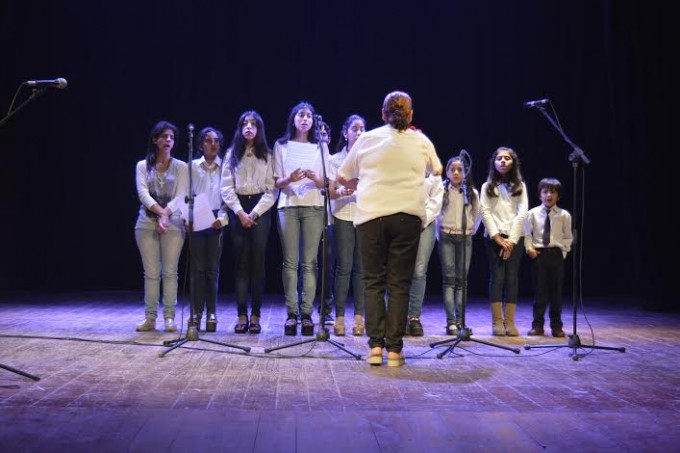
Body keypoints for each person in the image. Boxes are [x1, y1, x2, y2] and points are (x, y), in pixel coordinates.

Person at [337, 91, 443, 367]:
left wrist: (367, 178)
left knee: (373, 282)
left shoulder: (367, 138)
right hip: (407, 216)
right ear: (411, 115)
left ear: (382, 114)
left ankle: (375, 348)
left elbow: (342, 176)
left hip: (372, 216)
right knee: (399, 284)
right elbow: (438, 170)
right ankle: (394, 350)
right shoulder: (421, 140)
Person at [273, 102, 329, 336]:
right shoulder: (281, 145)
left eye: (308, 116)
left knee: (310, 263)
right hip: (288, 205)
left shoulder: (320, 147)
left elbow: (327, 182)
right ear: (293, 119)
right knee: (290, 262)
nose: (305, 119)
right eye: (301, 115)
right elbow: (277, 181)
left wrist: (316, 178)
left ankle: (306, 313)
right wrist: (289, 178)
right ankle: (292, 313)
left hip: (314, 205)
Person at [221, 111, 278, 334]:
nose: (248, 127)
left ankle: (256, 314)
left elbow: (272, 189)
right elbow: (226, 187)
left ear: (259, 129)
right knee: (241, 263)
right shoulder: (231, 154)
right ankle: (241, 314)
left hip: (260, 208)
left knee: (258, 262)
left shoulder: (268, 154)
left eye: (253, 124)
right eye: (244, 123)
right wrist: (240, 212)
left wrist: (254, 213)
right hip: (238, 207)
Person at [134, 120, 188, 332]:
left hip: (173, 224)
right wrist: (160, 213)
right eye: (164, 136)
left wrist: (166, 215)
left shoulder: (181, 166)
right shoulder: (142, 166)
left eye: (172, 137)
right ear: (155, 140)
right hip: (146, 223)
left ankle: (169, 317)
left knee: (170, 272)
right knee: (151, 273)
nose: (168, 140)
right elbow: (143, 194)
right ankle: (150, 317)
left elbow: (181, 195)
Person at [480, 146, 528, 336]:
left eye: (507, 158)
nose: (503, 161)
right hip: (495, 237)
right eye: (499, 158)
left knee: (512, 278)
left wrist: (512, 241)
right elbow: (485, 212)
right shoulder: (487, 186)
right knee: (497, 277)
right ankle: (497, 322)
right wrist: (498, 238)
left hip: (515, 237)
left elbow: (522, 213)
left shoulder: (520, 186)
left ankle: (510, 321)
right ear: (494, 162)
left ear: (513, 162)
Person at [327, 114, 366, 336]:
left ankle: (359, 316)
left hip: (364, 215)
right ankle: (340, 316)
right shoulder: (335, 160)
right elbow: (330, 192)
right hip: (343, 214)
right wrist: (342, 191)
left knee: (361, 269)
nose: (359, 132)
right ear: (345, 133)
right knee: (343, 268)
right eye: (354, 128)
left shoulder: (369, 159)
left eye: (362, 129)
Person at [188, 126, 228, 332]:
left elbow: (228, 196)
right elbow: (186, 194)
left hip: (216, 219)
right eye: (208, 141)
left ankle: (211, 312)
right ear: (200, 144)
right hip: (197, 217)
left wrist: (222, 219)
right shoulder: (193, 166)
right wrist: (187, 217)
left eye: (216, 141)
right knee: (198, 270)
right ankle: (196, 312)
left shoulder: (225, 166)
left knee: (212, 270)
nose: (213, 145)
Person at [437, 155, 481, 336]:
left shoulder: (471, 193)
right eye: (452, 169)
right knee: (449, 279)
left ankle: (461, 321)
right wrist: (440, 234)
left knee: (462, 280)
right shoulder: (442, 191)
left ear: (466, 172)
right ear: (447, 172)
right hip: (446, 235)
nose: (456, 173)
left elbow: (477, 214)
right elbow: (436, 214)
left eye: (460, 170)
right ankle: (451, 322)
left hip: (464, 237)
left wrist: (470, 230)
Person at [524, 178, 572, 337]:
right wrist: (529, 248)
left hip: (556, 254)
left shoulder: (564, 215)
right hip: (539, 254)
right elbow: (527, 234)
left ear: (558, 196)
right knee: (540, 292)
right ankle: (537, 325)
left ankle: (556, 326)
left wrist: (563, 253)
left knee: (556, 292)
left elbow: (567, 237)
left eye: (553, 192)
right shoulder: (532, 213)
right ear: (540, 195)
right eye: (545, 192)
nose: (549, 195)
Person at [405, 169, 444, 337]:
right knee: (398, 269)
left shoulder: (433, 172)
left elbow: (436, 200)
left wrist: (422, 220)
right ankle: (396, 315)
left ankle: (414, 317)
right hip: (402, 221)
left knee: (419, 270)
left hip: (426, 224)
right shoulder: (404, 165)